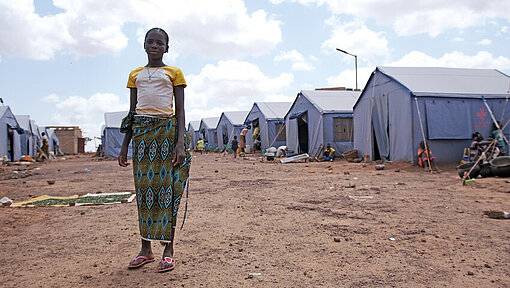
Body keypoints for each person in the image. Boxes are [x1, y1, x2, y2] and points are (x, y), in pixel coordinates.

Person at [118, 28, 191, 273]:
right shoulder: (135, 75)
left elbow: (180, 112)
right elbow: (132, 113)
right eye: (150, 41)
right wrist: (124, 146)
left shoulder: (174, 73)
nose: (155, 45)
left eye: (160, 42)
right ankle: (145, 250)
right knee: (144, 193)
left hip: (166, 136)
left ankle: (168, 251)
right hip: (141, 137)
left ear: (167, 48)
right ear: (144, 45)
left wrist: (180, 143)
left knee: (167, 191)